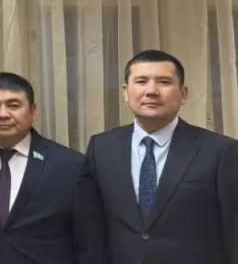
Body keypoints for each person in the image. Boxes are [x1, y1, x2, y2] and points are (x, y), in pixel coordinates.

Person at [76, 49, 238, 264]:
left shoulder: (221, 151)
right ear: (125, 92)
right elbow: (90, 227)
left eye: (164, 82)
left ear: (184, 93)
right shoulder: (102, 147)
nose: (151, 91)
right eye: (141, 81)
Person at [0, 72, 85, 264]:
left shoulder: (69, 164)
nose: (3, 114)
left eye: (13, 105)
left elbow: (86, 239)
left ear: (33, 111)